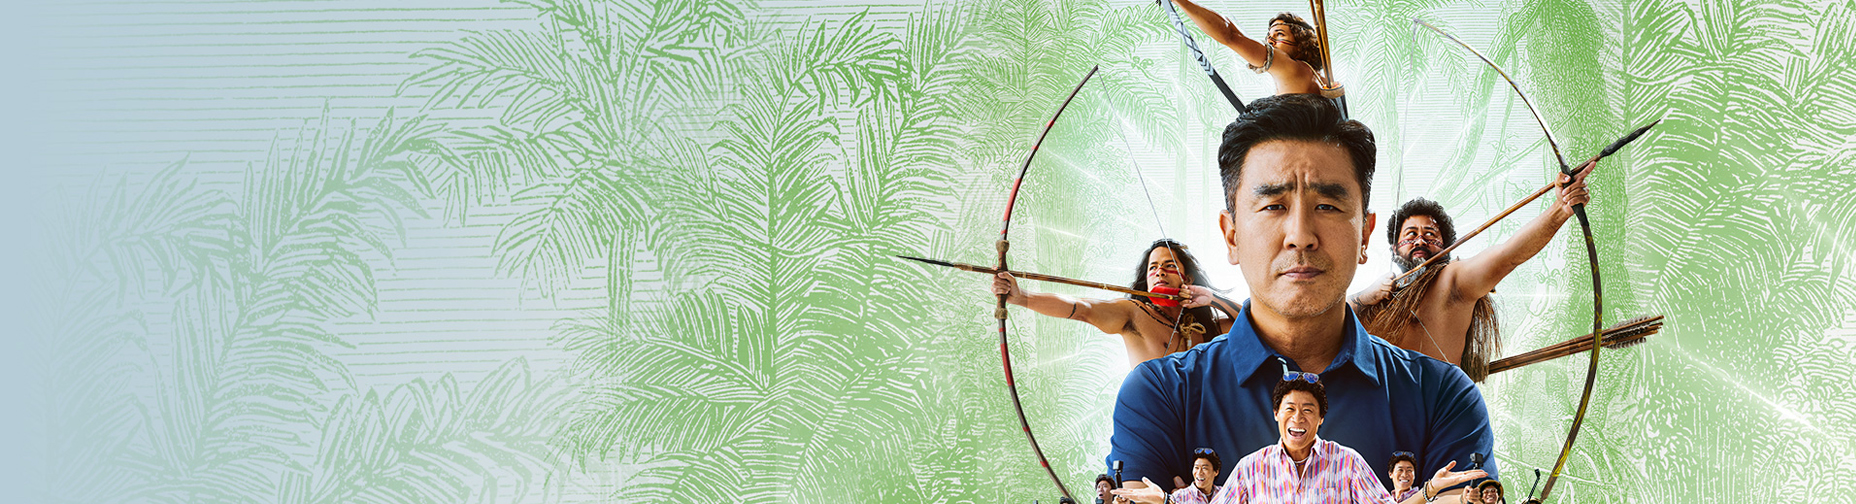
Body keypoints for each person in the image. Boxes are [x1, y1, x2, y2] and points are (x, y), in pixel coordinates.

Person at [1105, 93, 1497, 501]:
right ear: (1232, 235)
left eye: (1327, 206)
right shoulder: (1159, 394)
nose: (1301, 236)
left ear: (1364, 235)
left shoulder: (1443, 396)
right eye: (1273, 206)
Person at [1348, 163, 1594, 381]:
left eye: (1430, 235)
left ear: (1445, 247)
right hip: (1374, 414)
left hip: (1435, 413)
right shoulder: (1376, 300)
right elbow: (1326, 325)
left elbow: (1507, 255)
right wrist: (1363, 297)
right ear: (1394, 248)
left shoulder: (1451, 280)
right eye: (1411, 234)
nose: (1420, 240)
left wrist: (1560, 210)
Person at [1113, 371, 1486, 503]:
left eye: (1309, 410)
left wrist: (1431, 489)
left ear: (1321, 419)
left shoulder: (1347, 462)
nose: (1298, 418)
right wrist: (1165, 501)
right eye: (1289, 409)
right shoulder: (1251, 468)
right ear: (1276, 415)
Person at [993, 239, 1239, 365]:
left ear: (1187, 279)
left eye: (1169, 266)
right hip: (1154, 429)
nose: (1159, 272)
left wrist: (1213, 299)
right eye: (1152, 268)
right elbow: (1082, 308)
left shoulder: (1208, 329)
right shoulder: (1134, 313)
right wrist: (1022, 296)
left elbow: (1256, 324)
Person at [1167, 0, 1336, 96]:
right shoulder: (1313, 75)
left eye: (1279, 34)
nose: (1270, 41)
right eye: (1269, 36)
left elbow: (1230, 35)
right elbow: (1234, 32)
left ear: (1301, 42)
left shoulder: (1292, 69)